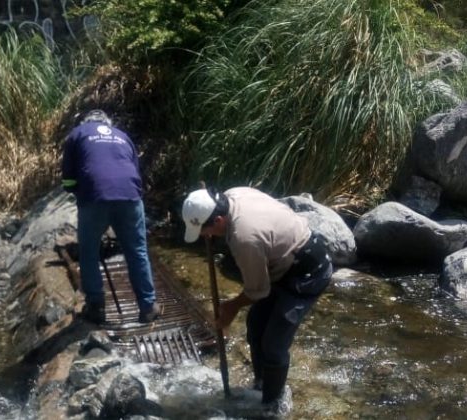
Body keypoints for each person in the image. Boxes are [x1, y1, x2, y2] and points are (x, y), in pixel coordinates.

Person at [182, 187, 333, 412]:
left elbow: (258, 291)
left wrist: (230, 307)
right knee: (255, 326)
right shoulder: (233, 194)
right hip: (280, 262)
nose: (206, 236)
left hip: (308, 271)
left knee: (274, 343)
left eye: (206, 231)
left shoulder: (244, 239)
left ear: (220, 219)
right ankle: (261, 386)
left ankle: (272, 406)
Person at [61, 109, 160, 324]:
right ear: (107, 122)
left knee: (89, 252)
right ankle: (148, 306)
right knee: (137, 250)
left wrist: (83, 193)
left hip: (94, 197)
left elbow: (68, 181)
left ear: (86, 122)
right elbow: (132, 170)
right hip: (130, 197)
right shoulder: (122, 136)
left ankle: (96, 307)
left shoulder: (77, 134)